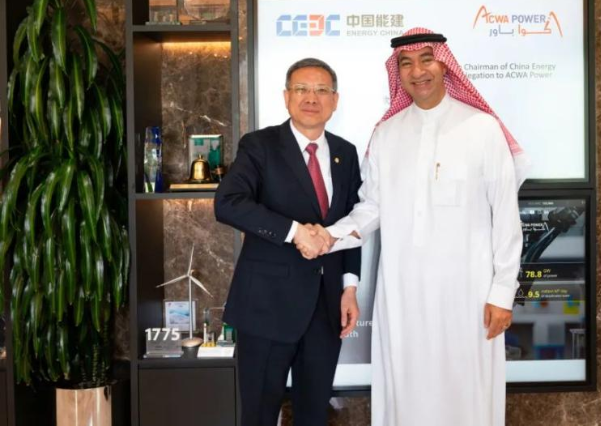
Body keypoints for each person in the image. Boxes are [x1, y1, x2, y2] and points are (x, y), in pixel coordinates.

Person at [309, 27, 527, 426]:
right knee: (407, 388)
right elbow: (371, 208)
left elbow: (505, 216)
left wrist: (502, 292)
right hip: (403, 294)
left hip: (469, 293)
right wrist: (329, 236)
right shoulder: (387, 133)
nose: (417, 71)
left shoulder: (481, 128)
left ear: (444, 65)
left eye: (426, 60)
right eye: (406, 64)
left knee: (467, 389)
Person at [214, 57, 363, 426]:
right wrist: (296, 232)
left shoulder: (346, 153)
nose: (311, 98)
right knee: (260, 414)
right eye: (301, 89)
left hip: (325, 308)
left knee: (314, 413)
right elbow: (228, 203)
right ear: (286, 97)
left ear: (335, 100)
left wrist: (349, 288)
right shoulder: (259, 145)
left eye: (321, 90)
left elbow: (352, 221)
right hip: (266, 306)